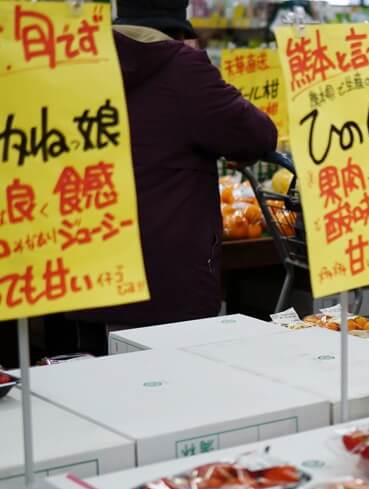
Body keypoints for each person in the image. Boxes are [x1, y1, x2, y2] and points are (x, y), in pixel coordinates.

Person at [72, 0, 277, 346]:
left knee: (94, 389)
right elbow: (257, 134)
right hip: (166, 284)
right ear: (178, 26)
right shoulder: (182, 68)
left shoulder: (80, 63)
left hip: (91, 271)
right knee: (168, 390)